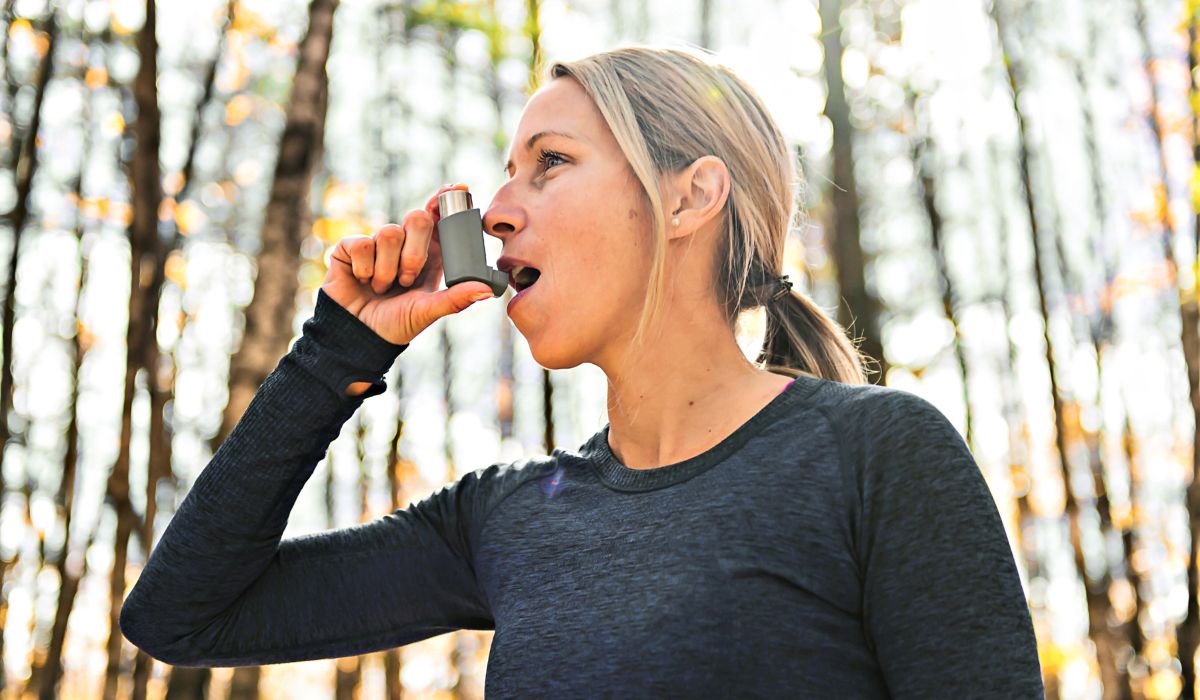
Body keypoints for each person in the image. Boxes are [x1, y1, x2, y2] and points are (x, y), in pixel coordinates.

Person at [120, 44, 1045, 698]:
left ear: (689, 197)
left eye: (549, 164)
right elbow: (182, 616)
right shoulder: (506, 516)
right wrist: (339, 351)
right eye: (506, 173)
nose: (497, 212)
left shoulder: (878, 455)